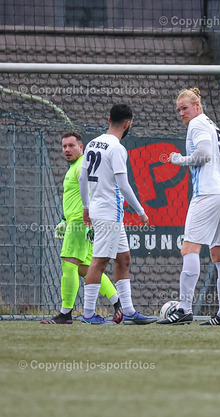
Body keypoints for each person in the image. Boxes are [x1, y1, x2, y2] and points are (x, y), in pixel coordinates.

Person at [158, 88, 220, 326]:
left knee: (189, 248)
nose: (181, 113)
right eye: (179, 110)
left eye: (185, 108)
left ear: (197, 106)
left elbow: (203, 154)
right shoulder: (215, 128)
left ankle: (184, 309)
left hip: (207, 193)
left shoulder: (197, 124)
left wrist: (178, 159)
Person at [79, 104, 156, 325]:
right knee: (100, 261)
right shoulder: (117, 148)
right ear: (128, 124)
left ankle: (129, 311)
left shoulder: (93, 143)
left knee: (123, 258)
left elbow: (83, 178)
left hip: (103, 210)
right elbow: (123, 185)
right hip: (109, 212)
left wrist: (86, 206)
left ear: (109, 119)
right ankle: (88, 314)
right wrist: (141, 211)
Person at [41, 132, 122, 324]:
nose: (67, 150)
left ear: (81, 147)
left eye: (71, 146)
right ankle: (119, 305)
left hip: (79, 223)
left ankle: (65, 314)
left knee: (68, 263)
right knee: (86, 269)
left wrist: (89, 220)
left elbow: (92, 191)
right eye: (64, 146)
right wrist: (64, 219)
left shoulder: (80, 166)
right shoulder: (75, 167)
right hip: (78, 223)